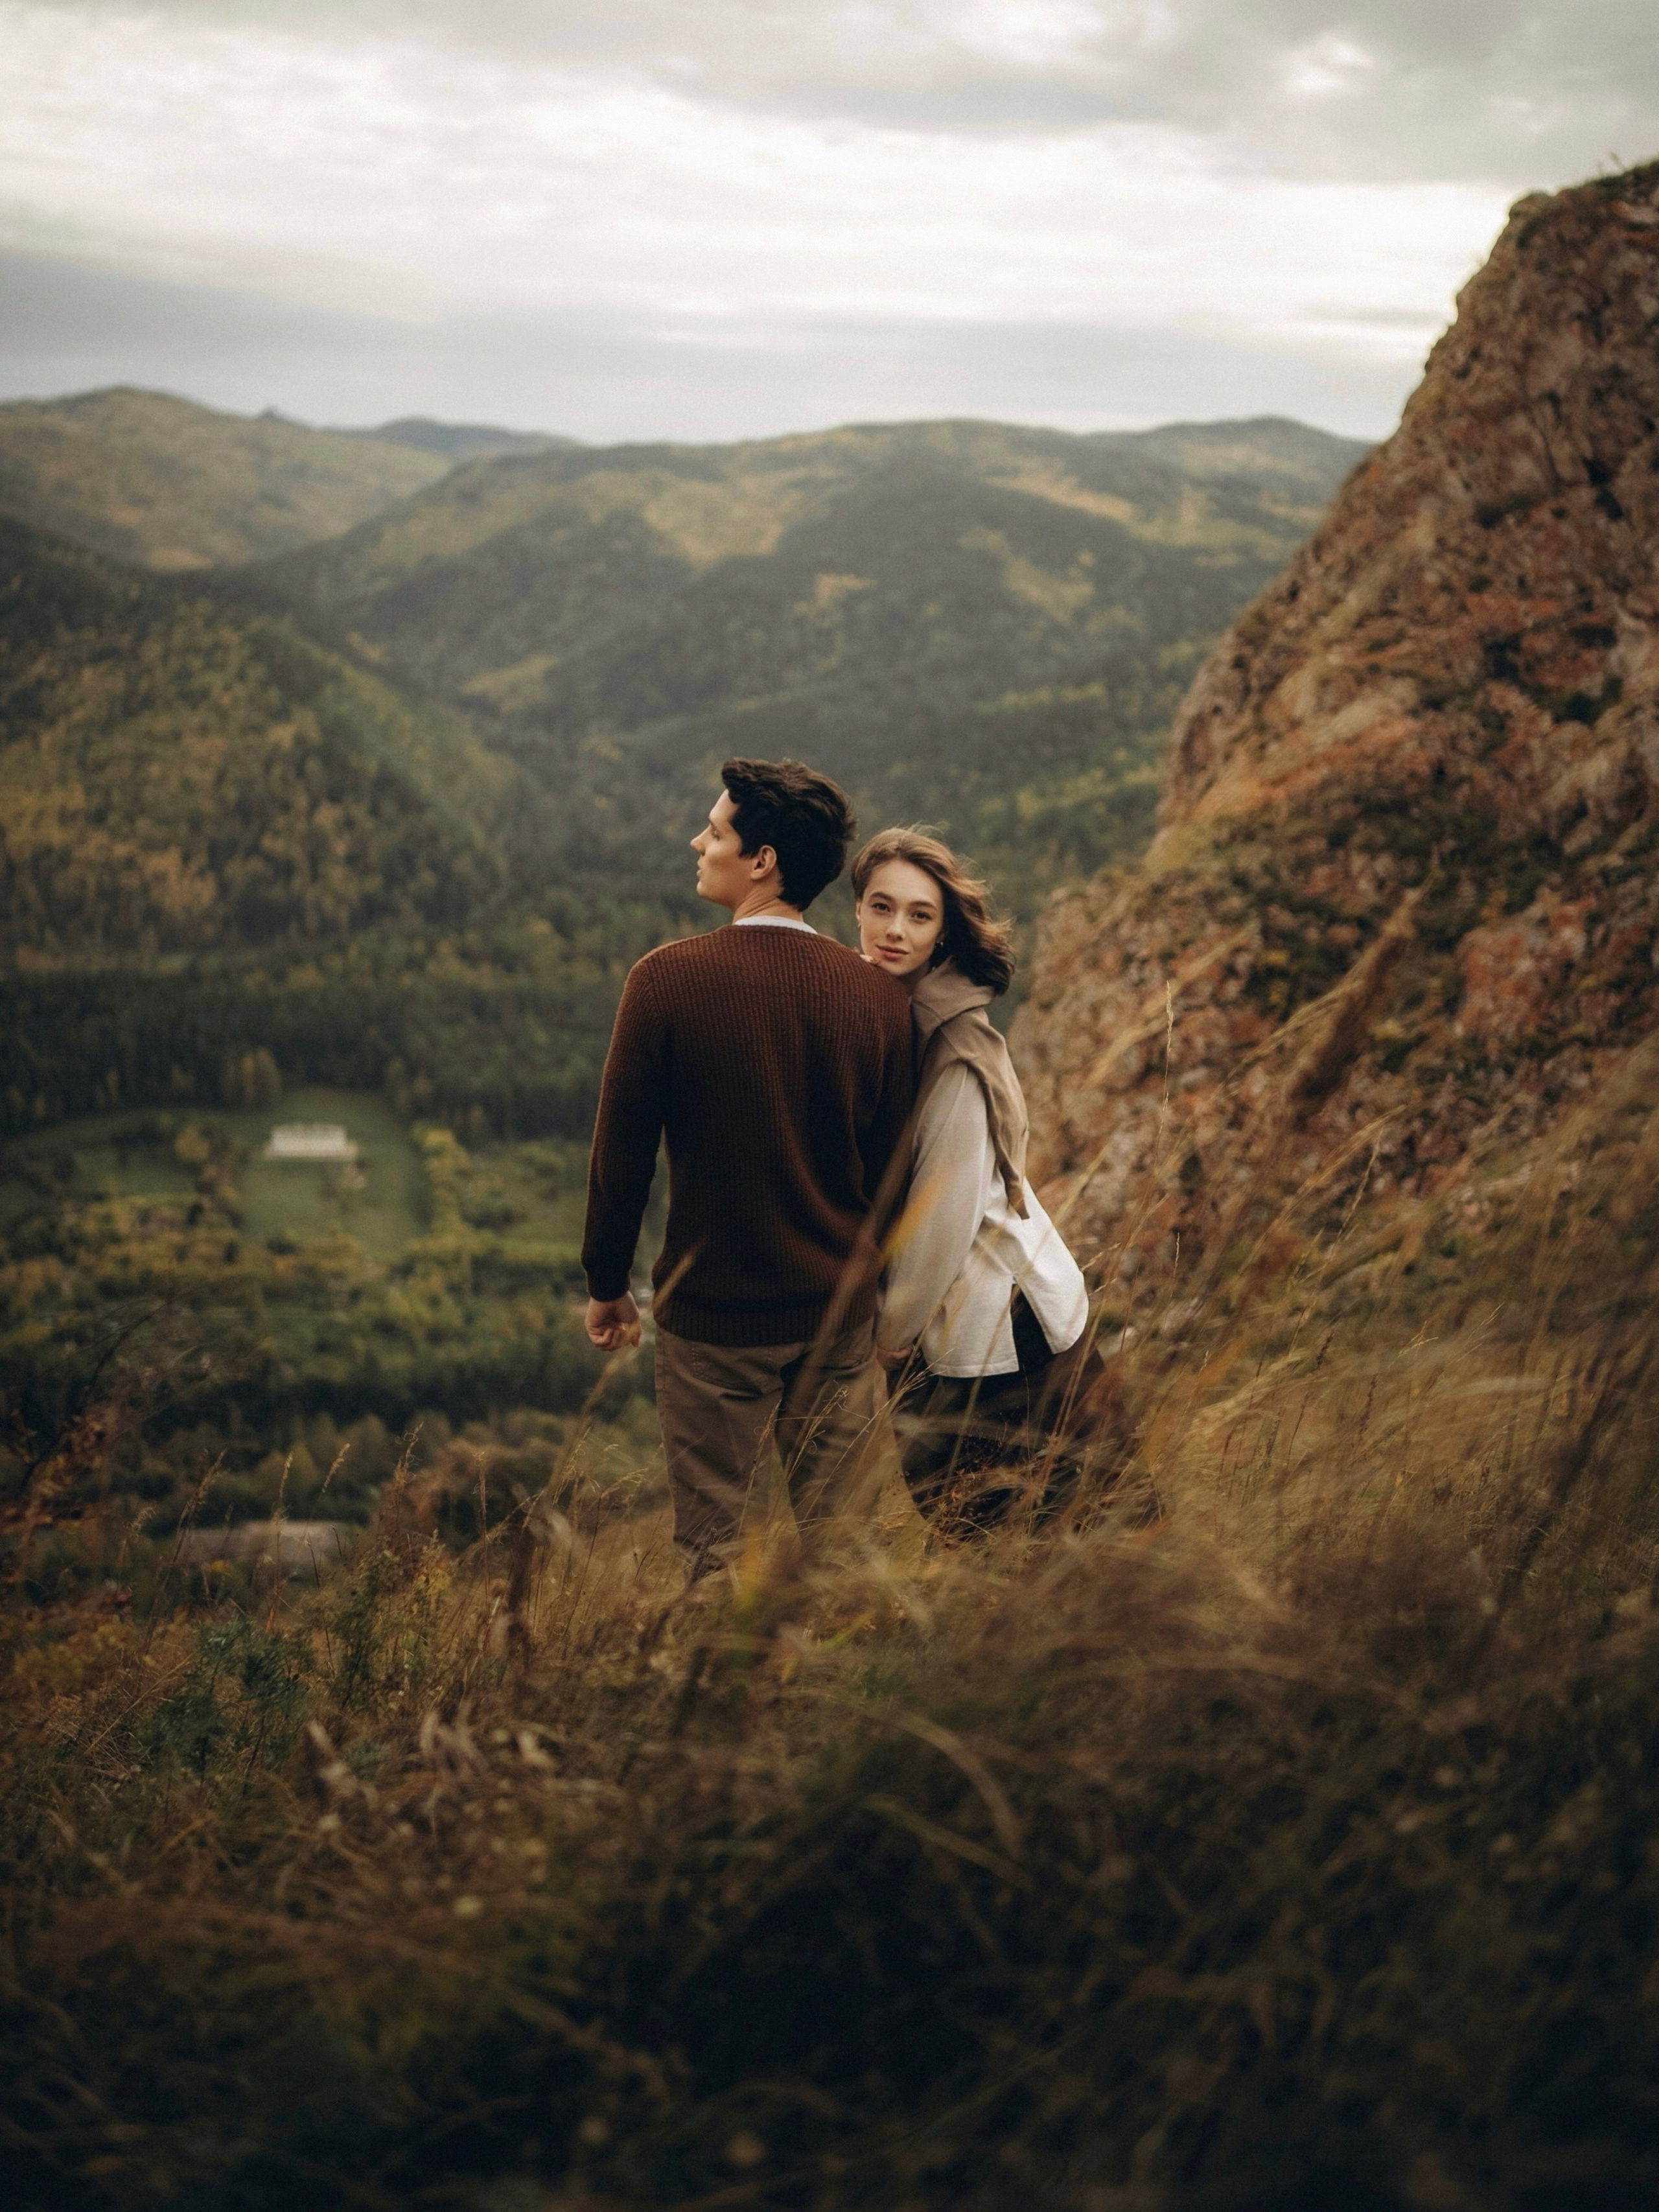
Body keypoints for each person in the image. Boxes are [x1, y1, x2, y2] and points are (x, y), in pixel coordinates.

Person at [582, 758, 916, 1577]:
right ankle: (844, 1700)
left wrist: (606, 1281)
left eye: (716, 829)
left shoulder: (664, 981)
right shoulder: (876, 999)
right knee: (844, 1557)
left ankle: (724, 1703)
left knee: (712, 1558)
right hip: (837, 1316)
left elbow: (621, 1153)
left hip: (713, 1321)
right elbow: (892, 1174)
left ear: (762, 859)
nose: (699, 840)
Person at [853, 828, 1108, 1535]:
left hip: (1000, 1328)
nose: (894, 930)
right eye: (881, 907)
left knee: (1020, 1526)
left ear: (942, 934)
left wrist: (892, 1333)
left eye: (918, 915)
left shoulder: (955, 1048)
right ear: (858, 910)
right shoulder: (893, 1016)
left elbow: (945, 1211)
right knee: (993, 1530)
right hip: (961, 1326)